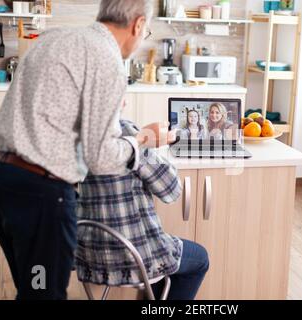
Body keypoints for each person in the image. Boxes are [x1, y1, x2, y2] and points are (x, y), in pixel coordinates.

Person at [0, 0, 171, 300]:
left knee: (32, 289)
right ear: (137, 25)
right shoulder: (107, 59)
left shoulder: (55, 39)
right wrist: (144, 138)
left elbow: (50, 111)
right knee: (43, 294)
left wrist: (102, 110)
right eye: (146, 31)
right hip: (41, 195)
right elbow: (102, 158)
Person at [76, 119, 209, 300]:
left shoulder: (73, 134)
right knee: (200, 259)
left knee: (163, 266)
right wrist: (152, 145)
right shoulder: (128, 135)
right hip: (137, 260)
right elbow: (172, 191)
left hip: (90, 259)